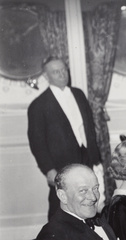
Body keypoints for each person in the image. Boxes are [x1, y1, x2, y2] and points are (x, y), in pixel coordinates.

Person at [27, 56, 102, 219]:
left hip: (86, 157)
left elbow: (89, 128)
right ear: (46, 77)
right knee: (59, 206)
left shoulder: (78, 94)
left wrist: (95, 158)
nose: (62, 75)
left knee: (89, 200)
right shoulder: (38, 105)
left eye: (63, 70)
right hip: (60, 164)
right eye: (56, 72)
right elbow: (37, 143)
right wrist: (49, 169)